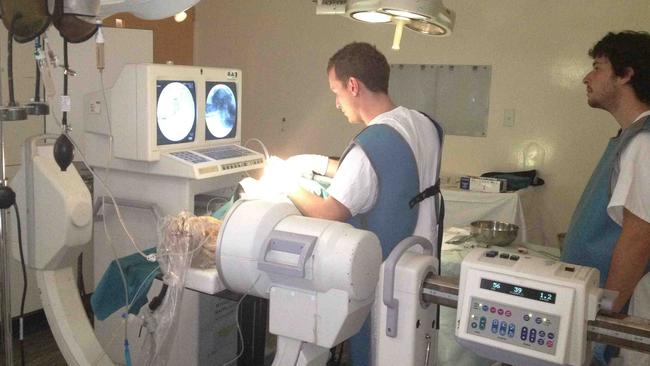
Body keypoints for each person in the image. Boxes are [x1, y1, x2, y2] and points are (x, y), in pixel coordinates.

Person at [286, 42, 443, 366]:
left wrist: (284, 183)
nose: (336, 102)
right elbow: (395, 169)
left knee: (379, 353)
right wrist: (317, 162)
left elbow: (328, 211)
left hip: (386, 276)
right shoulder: (420, 124)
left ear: (353, 85)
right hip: (423, 259)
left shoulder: (371, 143)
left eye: (336, 91)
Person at [561, 31, 650, 366]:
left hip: (618, 321)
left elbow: (639, 238)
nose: (587, 77)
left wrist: (605, 323)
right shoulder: (629, 140)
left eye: (597, 67)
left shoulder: (644, 143)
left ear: (626, 74)